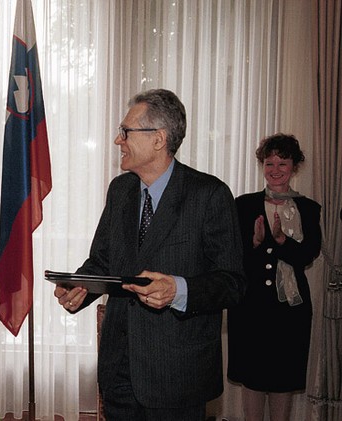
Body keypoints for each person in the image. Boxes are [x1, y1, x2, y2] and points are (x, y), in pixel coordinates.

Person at [53, 89, 246, 420]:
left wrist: (177, 290)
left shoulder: (209, 195)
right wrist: (79, 288)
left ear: (159, 139)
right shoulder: (120, 190)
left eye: (126, 131)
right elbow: (102, 260)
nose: (118, 140)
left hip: (177, 376)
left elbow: (232, 283)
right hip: (119, 372)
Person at [227, 134, 321, 421]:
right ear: (262, 166)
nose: (276, 169)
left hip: (290, 311)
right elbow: (232, 256)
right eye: (270, 163)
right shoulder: (243, 204)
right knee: (252, 380)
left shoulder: (309, 208)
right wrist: (254, 244)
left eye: (283, 162)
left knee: (283, 380)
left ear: (294, 166)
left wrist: (281, 240)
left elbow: (308, 254)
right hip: (251, 307)